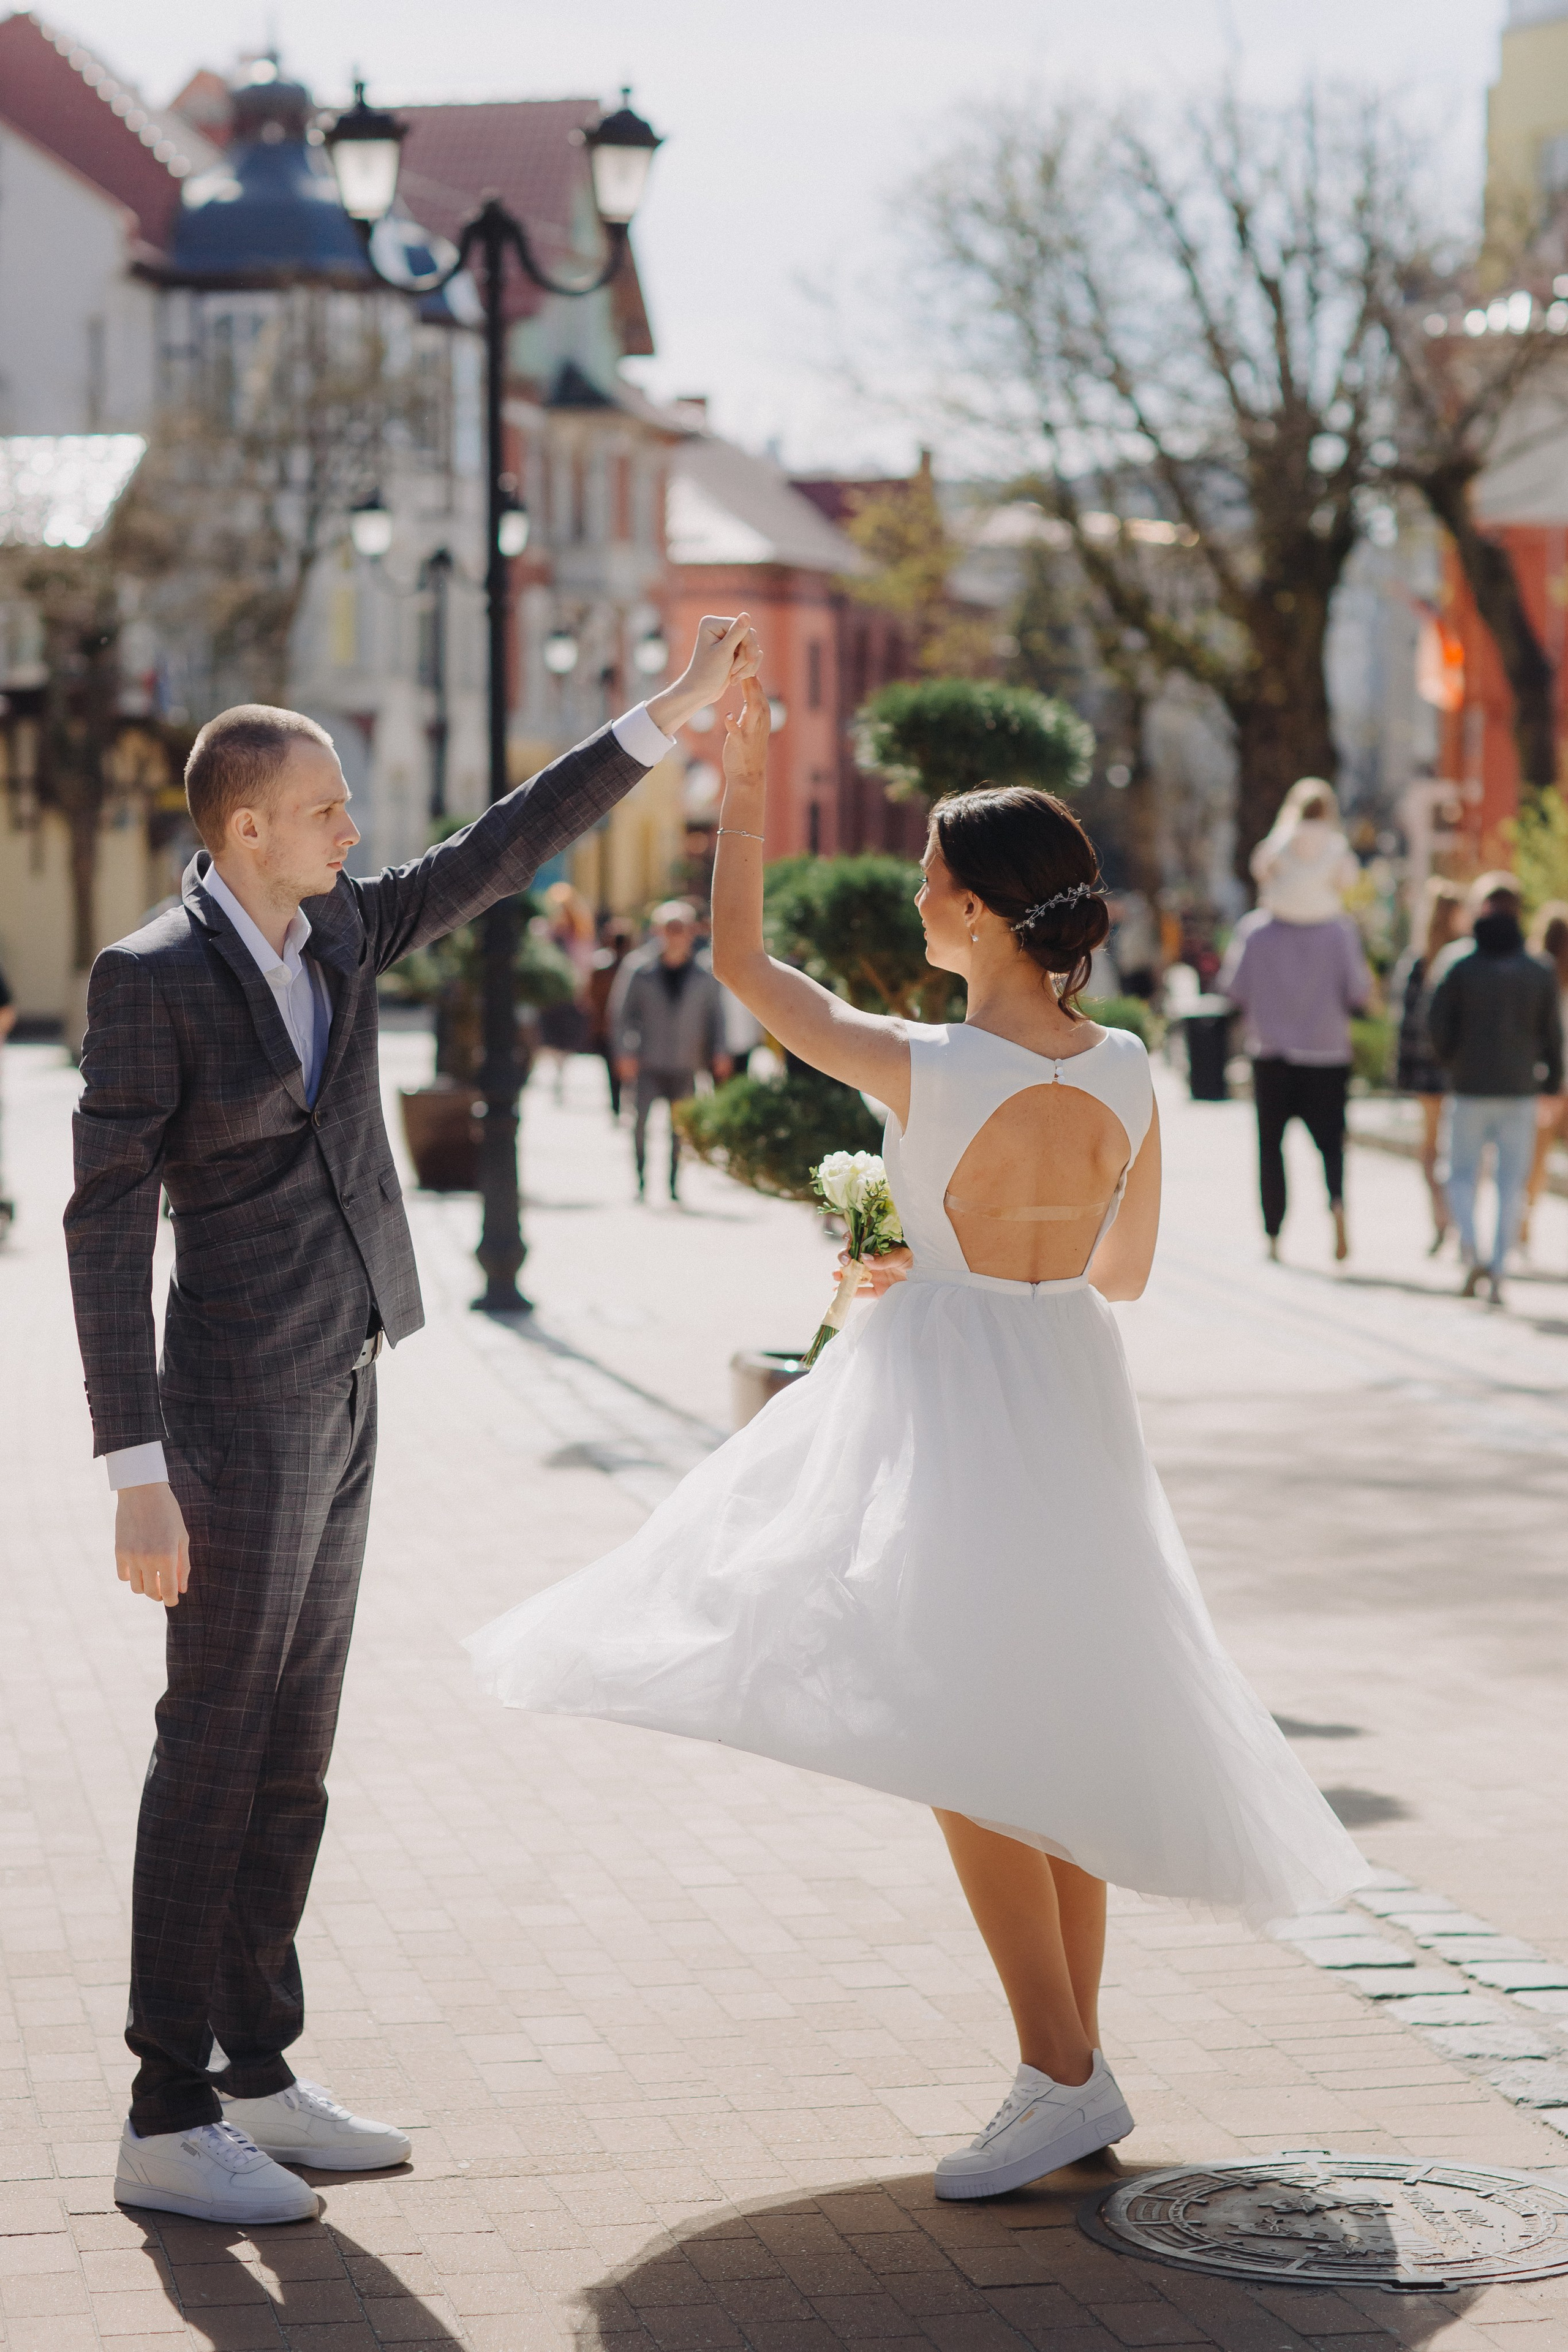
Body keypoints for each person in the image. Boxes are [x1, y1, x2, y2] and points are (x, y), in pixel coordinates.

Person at [468, 681, 1365, 2202]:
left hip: (949, 1390)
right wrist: (983, 1245)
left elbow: (740, 962)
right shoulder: (1126, 1065)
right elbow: (1123, 1275)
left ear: (982, 913)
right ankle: (1068, 2065)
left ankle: (1058, 2073)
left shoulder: (924, 1064)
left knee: (967, 1734)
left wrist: (745, 778)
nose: (912, 897)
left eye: (930, 880)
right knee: (1043, 1726)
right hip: (1067, 1385)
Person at [62, 612, 761, 2226]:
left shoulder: (342, 931)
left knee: (295, 1755)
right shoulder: (149, 978)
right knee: (213, 1747)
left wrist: (661, 717)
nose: (352, 828)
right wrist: (135, 1467)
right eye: (324, 807)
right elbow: (102, 1229)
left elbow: (500, 847)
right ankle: (165, 2111)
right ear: (246, 827)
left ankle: (257, 2072)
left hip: (350, 1381)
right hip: (228, 1414)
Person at [1427, 872, 1564, 1305]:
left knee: (1461, 1175)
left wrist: (1454, 1064)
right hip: (1520, 1090)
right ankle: (1500, 1266)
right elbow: (1553, 1036)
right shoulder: (1537, 970)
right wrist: (1551, 1085)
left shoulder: (1458, 964)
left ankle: (1472, 1251)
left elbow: (1436, 1027)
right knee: (1511, 1181)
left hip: (1470, 1088)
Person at [1217, 883, 1372, 1263]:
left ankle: (1274, 1235)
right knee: (1332, 1144)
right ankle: (1337, 1204)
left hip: (1271, 1054)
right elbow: (1358, 991)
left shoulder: (1255, 930)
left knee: (1271, 1147)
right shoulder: (1340, 931)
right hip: (1328, 1054)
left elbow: (1234, 989)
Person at [607, 902, 731, 1201]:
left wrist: (720, 1052)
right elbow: (621, 1015)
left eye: (682, 929)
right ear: (658, 931)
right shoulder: (638, 968)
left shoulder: (705, 972)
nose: (676, 935)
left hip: (685, 1063)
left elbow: (717, 1017)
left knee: (680, 1130)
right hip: (647, 1061)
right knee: (640, 1125)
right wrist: (624, 1052)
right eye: (670, 928)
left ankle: (674, 1184)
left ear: (692, 932)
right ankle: (640, 1180)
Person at [1389, 879, 1466, 1254]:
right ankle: (1451, 1215)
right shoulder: (1463, 961)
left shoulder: (1420, 962)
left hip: (1428, 1068)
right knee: (1455, 1148)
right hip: (1455, 1069)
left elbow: (1406, 1024)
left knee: (1432, 1147)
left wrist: (1402, 1073)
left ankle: (1441, 1216)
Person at [1520, 900, 1568, 1253]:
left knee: (1536, 1157)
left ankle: (1525, 1219)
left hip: (1545, 1080)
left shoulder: (1534, 975)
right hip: (1558, 1079)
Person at [1250, 778, 1360, 925]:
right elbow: (1347, 882)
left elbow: (1261, 871)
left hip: (1280, 913)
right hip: (1323, 915)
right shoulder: (1337, 845)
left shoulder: (1280, 839)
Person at [535, 880, 597, 1100]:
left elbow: (585, 965)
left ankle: (560, 1074)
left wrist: (584, 993)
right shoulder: (545, 932)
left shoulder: (580, 934)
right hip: (547, 995)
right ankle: (552, 1073)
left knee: (565, 1038)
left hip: (570, 995)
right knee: (547, 1036)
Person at [587, 916, 636, 1116]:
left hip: (608, 1028)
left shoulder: (605, 969)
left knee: (613, 1069)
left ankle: (618, 1105)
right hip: (616, 1029)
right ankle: (622, 1104)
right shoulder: (631, 969)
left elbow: (589, 998)